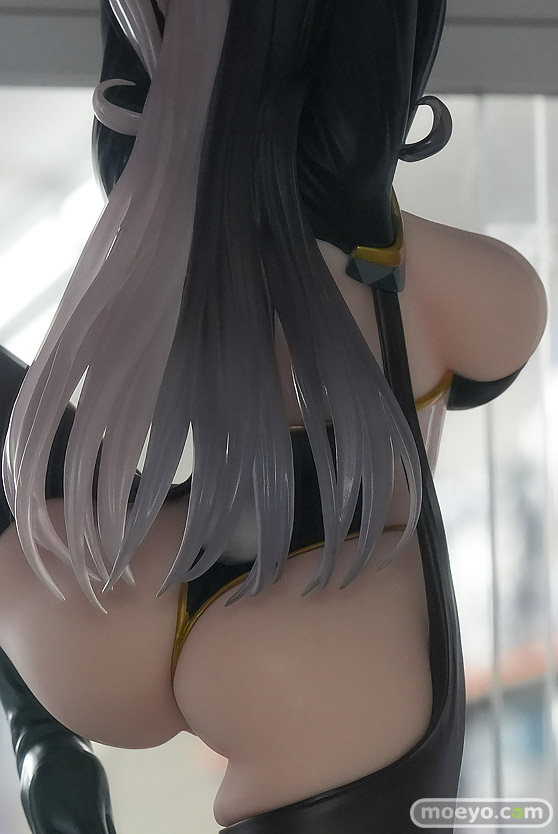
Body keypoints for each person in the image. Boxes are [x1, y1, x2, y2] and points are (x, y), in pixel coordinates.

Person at [0, 1, 547, 833]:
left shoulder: (165, 220)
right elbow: (493, 356)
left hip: (123, 597)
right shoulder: (428, 268)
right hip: (321, 619)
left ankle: (39, 734)